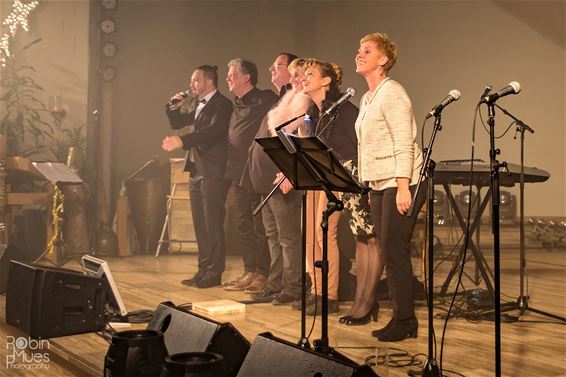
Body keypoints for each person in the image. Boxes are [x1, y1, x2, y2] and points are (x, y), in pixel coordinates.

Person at [354, 32, 426, 342]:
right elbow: (367, 146)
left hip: (404, 181)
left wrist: (403, 187)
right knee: (388, 250)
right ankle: (401, 317)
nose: (359, 54)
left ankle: (405, 320)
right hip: (381, 183)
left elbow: (404, 143)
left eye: (366, 50)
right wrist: (371, 187)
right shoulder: (368, 97)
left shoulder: (392, 92)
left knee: (395, 252)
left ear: (383, 60)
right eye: (358, 49)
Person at [242, 54, 311, 305]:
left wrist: (289, 171)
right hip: (267, 181)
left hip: (283, 180)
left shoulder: (306, 103)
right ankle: (276, 282)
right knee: (273, 235)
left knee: (288, 236)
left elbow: (300, 142)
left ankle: (292, 286)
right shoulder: (285, 101)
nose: (294, 79)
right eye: (291, 73)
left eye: (298, 74)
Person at [162, 65, 232, 288]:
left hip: (213, 170)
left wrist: (182, 141)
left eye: (196, 80)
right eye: (191, 80)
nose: (191, 84)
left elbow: (213, 132)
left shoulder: (222, 104)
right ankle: (203, 269)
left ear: (209, 82)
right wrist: (173, 107)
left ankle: (214, 272)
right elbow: (177, 123)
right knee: (200, 224)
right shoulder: (198, 104)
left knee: (213, 222)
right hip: (196, 169)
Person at [299, 59, 359, 316]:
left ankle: (330, 295)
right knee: (310, 235)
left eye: (309, 73)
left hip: (336, 178)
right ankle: (316, 290)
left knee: (324, 233)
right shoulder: (315, 112)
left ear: (327, 80)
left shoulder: (344, 109)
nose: (304, 77)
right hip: (315, 176)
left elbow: (357, 146)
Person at [223, 58, 278, 293]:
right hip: (237, 172)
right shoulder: (235, 103)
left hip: (255, 172)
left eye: (232, 74)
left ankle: (263, 273)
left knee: (259, 225)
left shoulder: (265, 99)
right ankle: (250, 270)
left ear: (247, 77)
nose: (228, 78)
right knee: (243, 223)